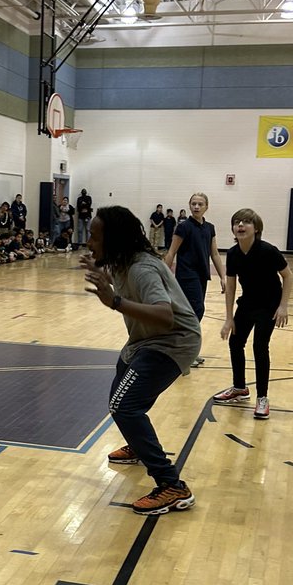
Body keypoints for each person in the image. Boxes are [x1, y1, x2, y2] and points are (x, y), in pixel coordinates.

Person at [82, 206, 201, 515]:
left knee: (124, 405)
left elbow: (164, 314)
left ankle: (172, 485)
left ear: (114, 239)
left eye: (95, 237)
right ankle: (137, 445)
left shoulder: (141, 268)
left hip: (173, 341)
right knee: (121, 392)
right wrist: (101, 275)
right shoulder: (122, 262)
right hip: (145, 341)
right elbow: (118, 279)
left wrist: (115, 302)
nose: (89, 241)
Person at [213, 208, 291, 420]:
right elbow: (230, 287)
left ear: (256, 228)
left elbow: (288, 276)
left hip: (269, 307)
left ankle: (262, 398)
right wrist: (229, 318)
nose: (240, 225)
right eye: (237, 222)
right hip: (247, 304)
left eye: (246, 222)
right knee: (235, 343)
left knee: (259, 347)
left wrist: (283, 306)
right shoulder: (233, 253)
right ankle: (240, 388)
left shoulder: (268, 250)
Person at [164, 192, 226, 366]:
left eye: (200, 204)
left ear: (207, 206)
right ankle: (183, 351)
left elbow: (214, 253)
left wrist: (222, 276)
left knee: (192, 313)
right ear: (189, 205)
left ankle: (183, 349)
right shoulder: (183, 227)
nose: (196, 207)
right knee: (196, 310)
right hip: (186, 274)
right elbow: (171, 252)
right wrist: (164, 274)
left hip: (201, 274)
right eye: (194, 204)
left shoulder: (210, 227)